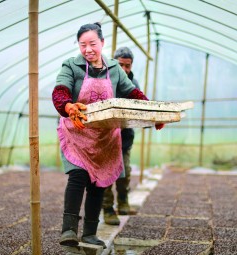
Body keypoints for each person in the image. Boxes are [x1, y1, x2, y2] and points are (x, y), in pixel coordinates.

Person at [52, 22, 164, 249]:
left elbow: (133, 93)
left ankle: (90, 233)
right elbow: (60, 91)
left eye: (92, 43)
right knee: (78, 177)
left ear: (102, 43)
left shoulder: (114, 69)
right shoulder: (71, 66)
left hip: (105, 138)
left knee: (98, 183)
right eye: (83, 45)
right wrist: (68, 107)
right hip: (78, 134)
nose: (88, 49)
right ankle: (69, 231)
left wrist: (152, 113)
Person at [102, 47, 139, 225]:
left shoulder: (133, 83)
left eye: (128, 65)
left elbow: (139, 106)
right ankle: (108, 209)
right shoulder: (105, 80)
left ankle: (123, 201)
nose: (124, 69)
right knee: (107, 175)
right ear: (113, 63)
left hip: (124, 137)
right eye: (120, 64)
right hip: (106, 138)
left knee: (125, 172)